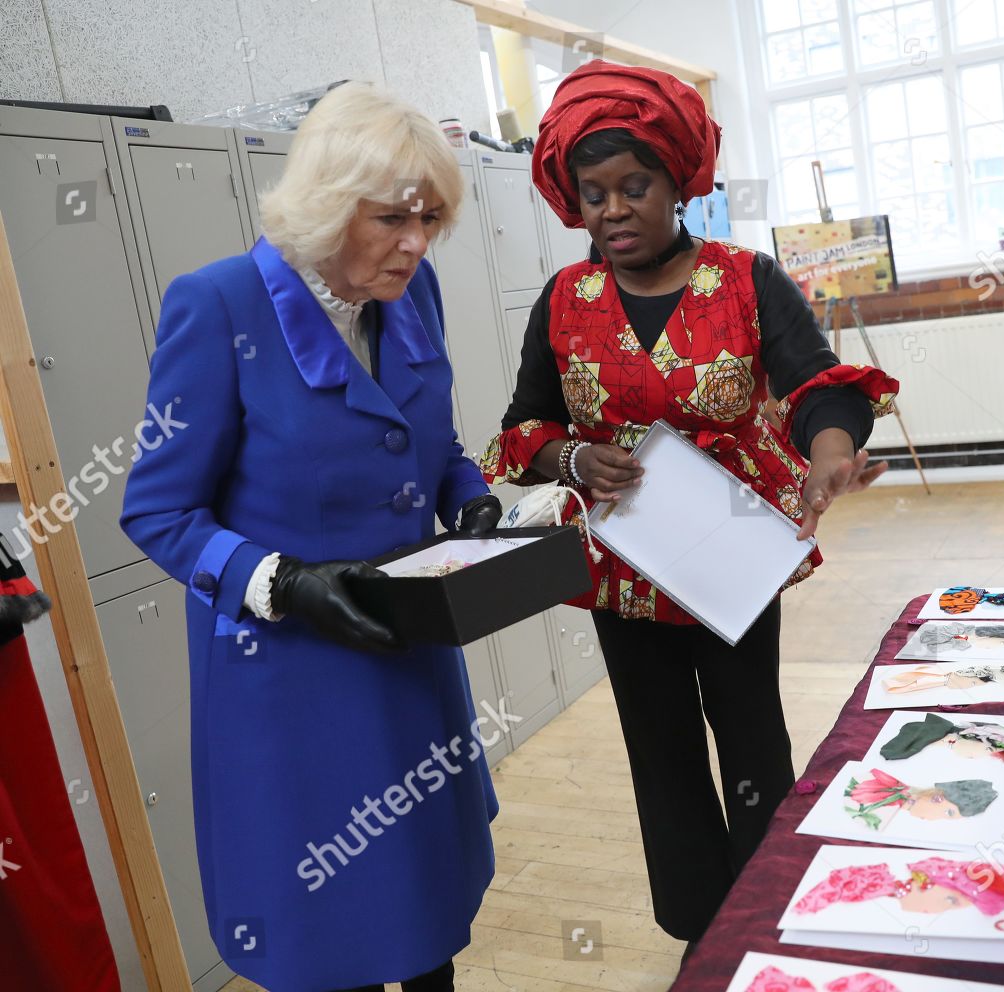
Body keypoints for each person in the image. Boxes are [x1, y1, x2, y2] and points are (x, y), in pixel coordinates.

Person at [482, 60, 900, 953]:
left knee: (752, 738)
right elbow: (523, 428)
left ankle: (769, 917)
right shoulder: (565, 301)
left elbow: (820, 386)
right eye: (593, 194)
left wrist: (829, 454)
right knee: (660, 752)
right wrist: (569, 454)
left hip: (729, 556)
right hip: (624, 570)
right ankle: (702, 938)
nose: (614, 209)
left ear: (678, 183)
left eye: (635, 186)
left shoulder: (745, 280)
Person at [120, 82, 503, 992]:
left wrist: (470, 495)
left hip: (406, 656)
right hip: (289, 682)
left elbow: (430, 437)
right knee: (329, 937)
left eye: (432, 218)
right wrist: (284, 583)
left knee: (427, 915)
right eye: (393, 218)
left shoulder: (415, 291)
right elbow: (156, 511)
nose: (417, 241)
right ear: (330, 204)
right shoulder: (217, 307)